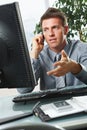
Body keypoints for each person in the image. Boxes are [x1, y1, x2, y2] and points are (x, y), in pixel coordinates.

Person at [17, 7, 87, 94]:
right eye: (46, 30)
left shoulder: (82, 48)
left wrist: (74, 67)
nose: (50, 34)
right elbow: (23, 90)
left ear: (65, 30)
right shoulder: (40, 54)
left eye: (55, 28)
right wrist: (34, 54)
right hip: (48, 105)